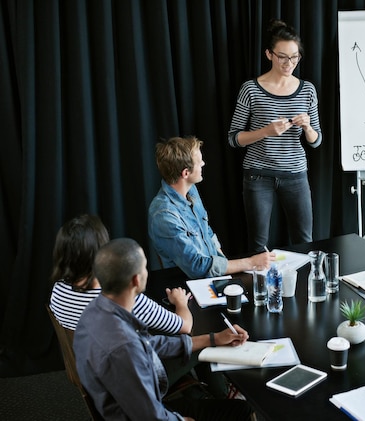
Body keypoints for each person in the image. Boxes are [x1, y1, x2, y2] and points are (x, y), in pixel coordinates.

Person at [74, 238, 254, 420]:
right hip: (135, 414)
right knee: (242, 410)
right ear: (136, 279)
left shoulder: (93, 312)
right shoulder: (125, 349)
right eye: (144, 267)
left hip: (117, 405)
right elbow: (151, 416)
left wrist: (213, 338)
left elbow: (150, 344)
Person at [227, 18, 322, 253]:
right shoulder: (251, 88)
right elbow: (233, 137)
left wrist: (308, 128)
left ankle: (303, 288)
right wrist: (266, 132)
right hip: (258, 175)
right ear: (269, 54)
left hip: (296, 174)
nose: (289, 63)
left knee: (305, 241)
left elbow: (317, 140)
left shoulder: (307, 89)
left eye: (294, 56)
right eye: (282, 56)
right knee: (258, 245)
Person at [148, 136, 274, 279]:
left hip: (213, 277)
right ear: (185, 173)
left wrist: (226, 268)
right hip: (189, 286)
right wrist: (250, 262)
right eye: (199, 162)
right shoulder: (164, 215)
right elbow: (198, 267)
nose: (203, 163)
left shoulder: (191, 190)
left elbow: (207, 232)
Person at [49, 214, 192, 334]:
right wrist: (180, 303)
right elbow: (185, 326)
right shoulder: (124, 299)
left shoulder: (58, 291)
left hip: (84, 364)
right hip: (123, 365)